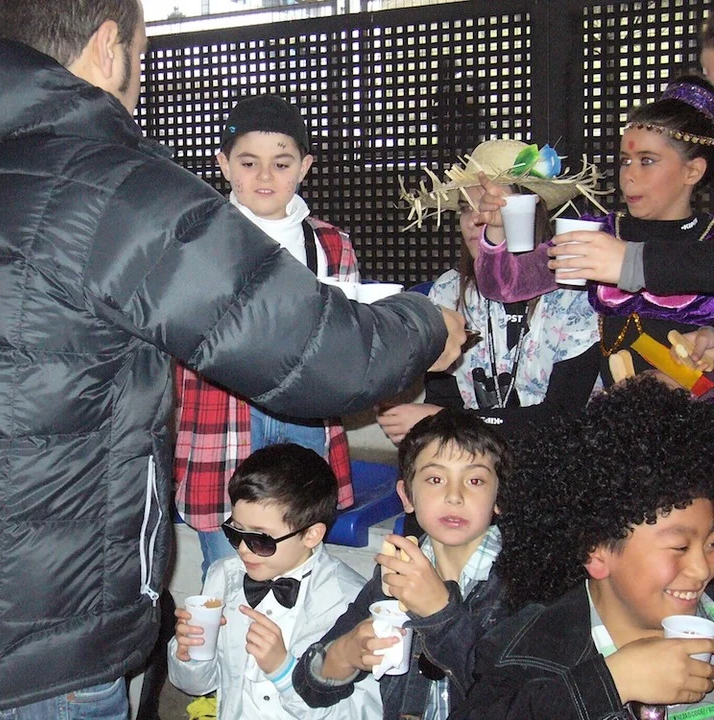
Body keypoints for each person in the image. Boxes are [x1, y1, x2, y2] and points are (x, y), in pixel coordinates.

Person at [0, 1, 467, 718]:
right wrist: (428, 325)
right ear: (109, 46)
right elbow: (319, 354)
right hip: (36, 649)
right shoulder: (111, 187)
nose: (139, 77)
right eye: (142, 56)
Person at [452, 377, 714, 719]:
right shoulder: (527, 651)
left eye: (711, 544)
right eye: (679, 547)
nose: (702, 569)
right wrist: (612, 682)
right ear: (596, 550)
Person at [174, 94, 358, 580]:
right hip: (222, 418)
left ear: (304, 167)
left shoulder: (330, 244)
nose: (264, 176)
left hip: (306, 415)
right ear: (223, 165)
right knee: (227, 569)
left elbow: (349, 340)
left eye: (281, 163)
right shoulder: (197, 242)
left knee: (302, 560)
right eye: (248, 162)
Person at [472, 76, 714, 384]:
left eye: (647, 161)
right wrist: (497, 229)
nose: (629, 176)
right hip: (615, 410)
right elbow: (507, 286)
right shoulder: (603, 234)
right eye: (625, 161)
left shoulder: (708, 243)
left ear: (692, 171)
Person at [292, 408, 512, 719]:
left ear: (499, 499)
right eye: (435, 479)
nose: (455, 496)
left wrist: (440, 613)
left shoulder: (523, 580)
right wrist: (345, 654)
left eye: (475, 480)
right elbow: (308, 685)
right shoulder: (398, 569)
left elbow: (510, 698)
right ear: (407, 496)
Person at [377, 140, 601, 444]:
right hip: (474, 458)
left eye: (490, 205)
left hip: (560, 460)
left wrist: (443, 419)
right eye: (465, 208)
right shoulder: (448, 292)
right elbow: (443, 399)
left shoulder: (573, 291)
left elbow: (566, 416)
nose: (475, 220)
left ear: (530, 211)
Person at [167, 443, 381, 718]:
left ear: (311, 535)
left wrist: (284, 671)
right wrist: (189, 653)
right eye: (235, 532)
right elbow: (199, 685)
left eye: (260, 539)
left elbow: (365, 712)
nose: (243, 549)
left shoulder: (349, 601)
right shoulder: (224, 576)